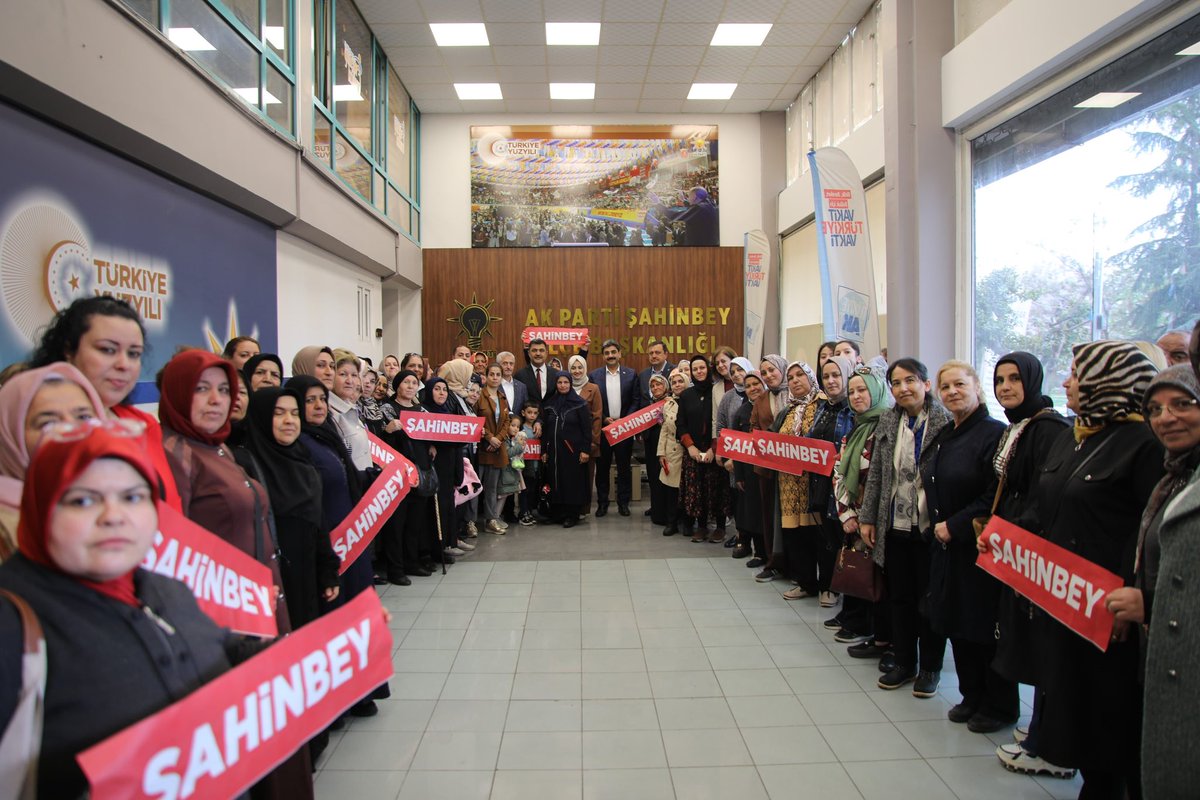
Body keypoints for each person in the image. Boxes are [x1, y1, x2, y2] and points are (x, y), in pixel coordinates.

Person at [0, 424, 313, 799]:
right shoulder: (13, 624)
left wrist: (301, 653)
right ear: (42, 507)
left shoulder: (165, 588)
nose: (114, 517)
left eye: (133, 498)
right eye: (83, 500)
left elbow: (210, 647)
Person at [1033, 340, 1161, 796]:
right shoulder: (1076, 436)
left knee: (1111, 726)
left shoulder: (1144, 444)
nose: (1066, 382)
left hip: (1111, 612)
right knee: (1078, 715)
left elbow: (1149, 532)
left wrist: (1133, 591)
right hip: (1068, 605)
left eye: (1077, 374)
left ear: (1109, 382)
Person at [980, 352, 1071, 777]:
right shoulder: (1019, 427)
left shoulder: (1047, 428)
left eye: (1014, 379)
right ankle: (1041, 729)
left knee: (1041, 646)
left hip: (1032, 550)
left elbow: (1042, 494)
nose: (1005, 387)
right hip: (1012, 546)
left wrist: (1013, 535)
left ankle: (1048, 737)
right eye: (999, 380)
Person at [158, 350, 291, 632]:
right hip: (219, 618)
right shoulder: (173, 456)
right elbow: (173, 557)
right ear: (178, 392)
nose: (216, 400)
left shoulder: (217, 448)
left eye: (224, 389)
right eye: (201, 389)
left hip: (255, 597)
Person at [921, 361, 1016, 733]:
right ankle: (971, 695)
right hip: (945, 545)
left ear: (977, 387)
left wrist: (956, 526)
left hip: (976, 544)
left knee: (981, 625)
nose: (952, 392)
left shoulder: (994, 434)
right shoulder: (947, 432)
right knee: (955, 622)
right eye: (945, 388)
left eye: (960, 384)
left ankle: (999, 704)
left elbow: (995, 492)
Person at [29, 295, 182, 510]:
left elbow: (171, 508)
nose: (124, 364)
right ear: (68, 351)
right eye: (108, 350)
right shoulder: (39, 424)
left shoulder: (144, 425)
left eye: (134, 354)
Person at [859, 357, 952, 697]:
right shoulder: (889, 421)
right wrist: (869, 517)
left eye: (910, 381)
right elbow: (879, 477)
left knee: (928, 600)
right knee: (900, 598)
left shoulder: (945, 422)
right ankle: (903, 661)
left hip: (930, 528)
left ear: (926, 384)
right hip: (894, 524)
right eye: (896, 383)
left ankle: (930, 667)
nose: (903, 389)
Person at [1137, 323, 1200, 799]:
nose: (1166, 418)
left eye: (1182, 404)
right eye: (1156, 409)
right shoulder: (1170, 475)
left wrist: (1151, 601)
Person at [236, 387, 340, 629]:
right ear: (261, 417)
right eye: (279, 413)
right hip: (270, 582)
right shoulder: (244, 464)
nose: (289, 421)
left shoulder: (302, 459)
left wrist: (327, 570)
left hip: (306, 576)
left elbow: (318, 520)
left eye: (294, 413)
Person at [0, 364, 105, 559]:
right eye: (48, 423)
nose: (73, 431)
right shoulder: (6, 522)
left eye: (84, 417)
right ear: (11, 437)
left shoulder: (123, 499)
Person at [832, 366, 894, 666]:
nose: (856, 396)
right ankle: (865, 626)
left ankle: (882, 636)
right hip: (855, 515)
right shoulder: (857, 426)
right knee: (861, 570)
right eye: (852, 390)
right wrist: (846, 512)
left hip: (878, 518)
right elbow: (840, 470)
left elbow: (883, 477)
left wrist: (865, 514)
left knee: (882, 579)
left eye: (863, 390)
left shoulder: (888, 426)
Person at [808, 355, 858, 611]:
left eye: (836, 375)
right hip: (822, 486)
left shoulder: (856, 411)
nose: (830, 381)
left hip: (847, 490)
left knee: (847, 544)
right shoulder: (823, 408)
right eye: (826, 376)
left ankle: (849, 599)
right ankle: (828, 585)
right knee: (827, 539)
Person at [774, 362, 827, 594]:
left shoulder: (824, 405)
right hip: (788, 484)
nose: (795, 380)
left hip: (813, 484)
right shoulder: (787, 409)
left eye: (800, 375)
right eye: (791, 377)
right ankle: (804, 582)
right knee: (794, 535)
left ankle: (827, 586)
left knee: (816, 535)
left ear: (810, 377)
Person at [675, 355, 730, 543]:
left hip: (715, 451)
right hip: (693, 452)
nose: (699, 371)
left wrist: (714, 450)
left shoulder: (717, 391)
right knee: (697, 491)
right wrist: (690, 447)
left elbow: (721, 422)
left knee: (717, 490)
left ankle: (720, 527)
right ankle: (702, 526)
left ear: (708, 368)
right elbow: (680, 424)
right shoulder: (686, 395)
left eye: (702, 368)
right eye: (695, 369)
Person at [749, 355, 791, 582]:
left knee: (793, 516)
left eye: (771, 370)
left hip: (794, 469)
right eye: (763, 372)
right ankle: (773, 561)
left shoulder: (796, 396)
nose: (768, 376)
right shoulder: (761, 399)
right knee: (769, 514)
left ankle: (796, 564)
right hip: (767, 466)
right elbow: (754, 426)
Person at [589, 339, 641, 517]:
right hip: (603, 430)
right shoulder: (594, 376)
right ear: (603, 356)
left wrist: (625, 421)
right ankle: (602, 503)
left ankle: (623, 503)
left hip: (623, 429)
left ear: (619, 354)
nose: (610, 355)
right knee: (602, 468)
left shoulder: (631, 374)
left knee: (624, 467)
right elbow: (592, 403)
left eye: (613, 352)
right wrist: (603, 419)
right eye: (607, 353)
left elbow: (635, 400)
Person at [420, 375, 466, 565]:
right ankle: (434, 548)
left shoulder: (449, 411)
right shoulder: (424, 412)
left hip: (449, 463)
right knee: (435, 506)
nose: (441, 393)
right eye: (437, 389)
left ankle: (448, 542)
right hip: (433, 465)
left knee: (448, 504)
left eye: (444, 389)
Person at [542, 374, 592, 528]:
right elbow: (545, 429)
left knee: (571, 482)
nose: (563, 385)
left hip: (572, 452)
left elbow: (586, 429)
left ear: (571, 384)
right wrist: (544, 450)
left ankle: (572, 515)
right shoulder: (550, 404)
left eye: (566, 382)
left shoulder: (580, 404)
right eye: (559, 382)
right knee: (555, 480)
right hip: (554, 452)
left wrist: (585, 450)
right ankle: (557, 513)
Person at [730, 370, 766, 560]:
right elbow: (736, 447)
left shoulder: (773, 406)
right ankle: (758, 552)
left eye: (756, 384)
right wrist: (740, 476)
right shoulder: (742, 412)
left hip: (770, 470)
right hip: (748, 472)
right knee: (752, 511)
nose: (753, 389)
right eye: (748, 386)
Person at [476, 363, 512, 535]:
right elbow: (475, 421)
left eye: (498, 374)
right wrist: (489, 437)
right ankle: (470, 521)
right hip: (483, 449)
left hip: (497, 449)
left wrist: (498, 439)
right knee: (476, 489)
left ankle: (491, 520)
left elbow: (507, 422)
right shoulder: (479, 396)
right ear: (487, 376)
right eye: (492, 374)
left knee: (491, 488)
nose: (495, 377)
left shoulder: (502, 397)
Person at [568, 354, 603, 517]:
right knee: (570, 476)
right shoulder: (564, 386)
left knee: (586, 476)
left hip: (587, 440)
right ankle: (570, 507)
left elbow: (597, 416)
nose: (577, 371)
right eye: (573, 368)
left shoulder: (593, 388)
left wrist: (594, 442)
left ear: (585, 369)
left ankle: (584, 509)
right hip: (568, 441)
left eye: (580, 367)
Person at [657, 369, 690, 536]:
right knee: (670, 491)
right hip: (670, 452)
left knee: (686, 489)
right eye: (674, 382)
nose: (677, 385)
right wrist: (661, 453)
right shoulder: (667, 404)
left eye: (680, 381)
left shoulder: (692, 401)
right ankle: (671, 522)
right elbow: (664, 429)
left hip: (687, 452)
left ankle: (686, 521)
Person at [642, 373, 671, 526]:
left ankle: (668, 513)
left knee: (666, 478)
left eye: (658, 384)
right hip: (651, 446)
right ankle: (657, 510)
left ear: (666, 386)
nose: (655, 388)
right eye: (652, 386)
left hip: (667, 448)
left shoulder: (672, 403)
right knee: (654, 478)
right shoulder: (648, 405)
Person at [654, 186, 719, 246]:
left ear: (694, 197)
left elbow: (675, 216)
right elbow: (694, 208)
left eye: (689, 196)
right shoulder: (710, 205)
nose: (688, 198)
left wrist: (658, 204)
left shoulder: (699, 208)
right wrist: (684, 201)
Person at [515, 338, 562, 404]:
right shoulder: (520, 375)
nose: (538, 353)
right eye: (534, 350)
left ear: (546, 353)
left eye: (541, 350)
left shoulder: (556, 374)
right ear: (528, 353)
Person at [496, 351, 529, 425]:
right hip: (499, 429)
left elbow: (525, 408)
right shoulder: (494, 385)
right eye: (505, 363)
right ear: (498, 365)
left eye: (511, 364)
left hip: (518, 429)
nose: (508, 367)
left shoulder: (522, 387)